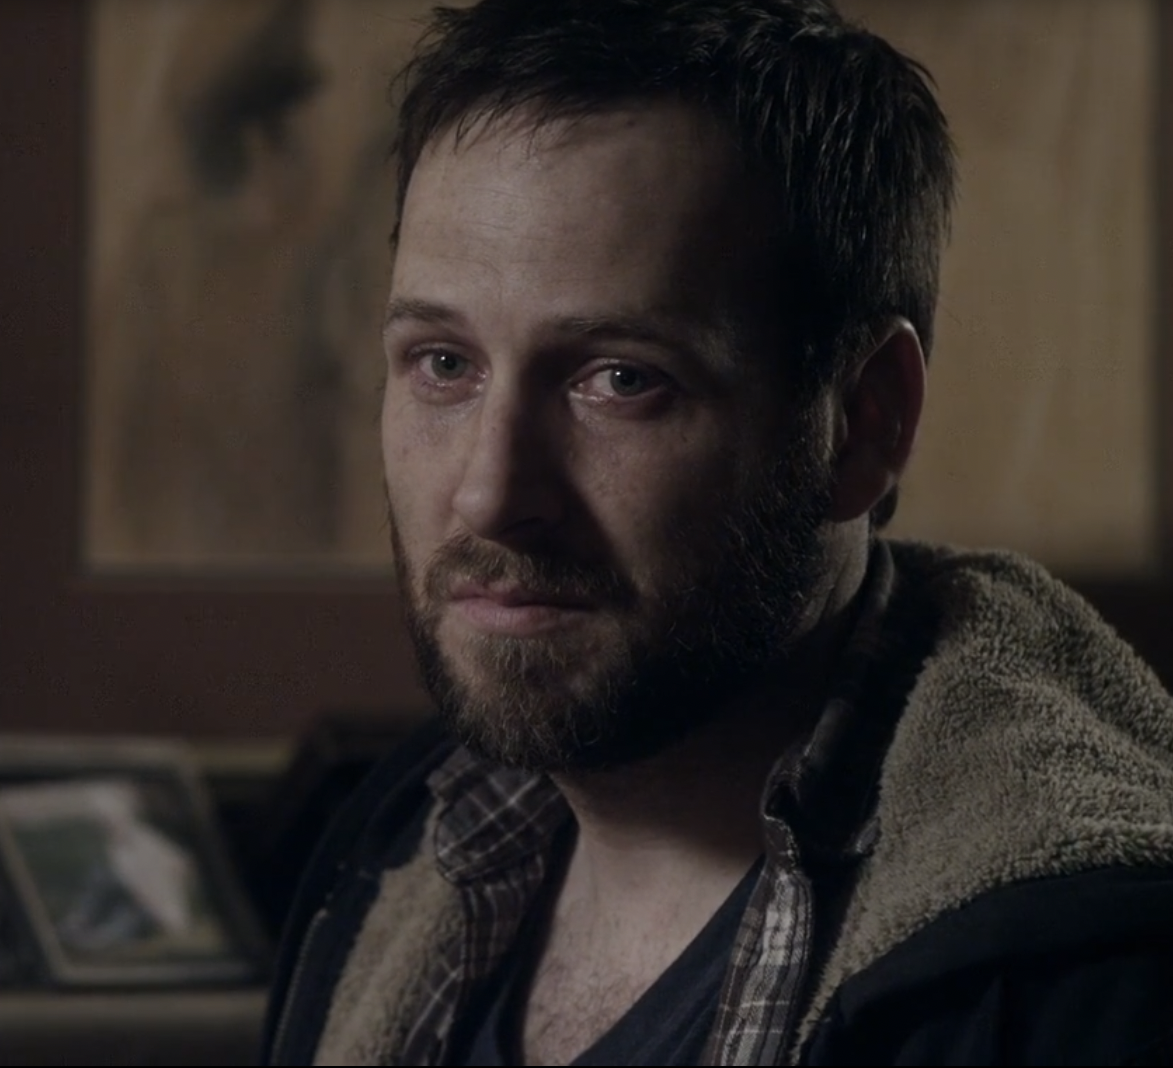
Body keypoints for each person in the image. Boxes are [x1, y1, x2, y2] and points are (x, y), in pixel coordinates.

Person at [260, 2, 1173, 1064]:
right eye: (444, 364)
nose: (488, 495)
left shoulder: (1090, 982)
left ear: (862, 421)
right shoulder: (390, 856)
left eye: (620, 379)